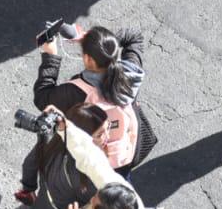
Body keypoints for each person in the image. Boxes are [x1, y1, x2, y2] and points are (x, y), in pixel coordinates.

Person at [33, 25, 155, 175]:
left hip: (91, 165)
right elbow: (134, 36)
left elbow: (42, 98)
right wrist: (102, 45)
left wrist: (50, 55)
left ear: (88, 59)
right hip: (125, 155)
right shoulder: (129, 75)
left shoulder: (74, 92)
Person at [47, 114, 154, 209]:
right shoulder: (119, 191)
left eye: (94, 206)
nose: (90, 200)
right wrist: (65, 128)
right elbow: (92, 160)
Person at [19, 104, 109, 209]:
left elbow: (29, 164)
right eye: (100, 134)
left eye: (108, 127)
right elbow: (106, 208)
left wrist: (29, 189)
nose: (108, 137)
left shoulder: (52, 140)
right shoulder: (87, 173)